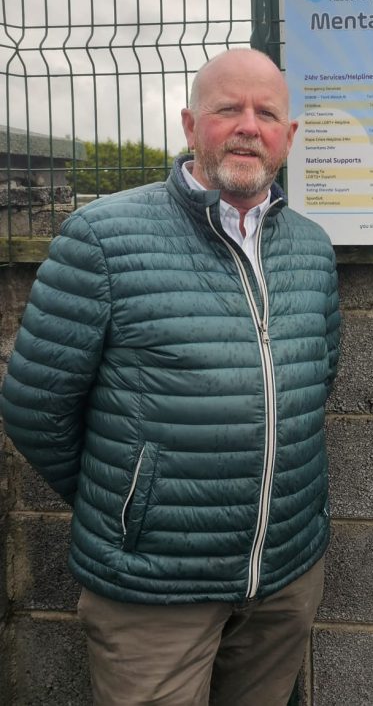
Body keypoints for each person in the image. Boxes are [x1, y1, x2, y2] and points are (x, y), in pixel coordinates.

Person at [1, 48, 340, 705]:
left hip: (283, 575)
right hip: (154, 589)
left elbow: (316, 378)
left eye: (266, 112)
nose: (248, 125)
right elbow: (34, 408)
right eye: (227, 109)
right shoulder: (102, 239)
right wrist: (133, 503)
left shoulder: (311, 248)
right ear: (190, 126)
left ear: (288, 137)